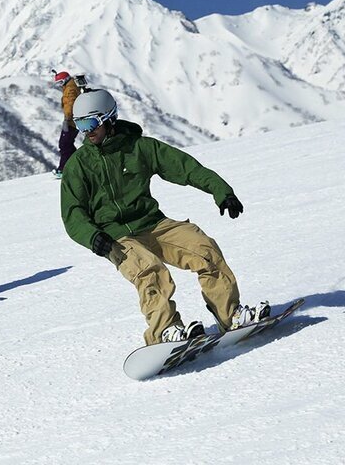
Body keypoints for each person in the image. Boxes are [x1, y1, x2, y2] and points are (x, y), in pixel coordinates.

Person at [59, 89, 269, 346]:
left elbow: (185, 167)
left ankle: (230, 315)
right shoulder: (79, 165)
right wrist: (95, 238)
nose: (86, 131)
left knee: (204, 249)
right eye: (80, 125)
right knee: (149, 270)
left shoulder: (140, 148)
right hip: (115, 236)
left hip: (152, 223)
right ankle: (165, 331)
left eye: (91, 123)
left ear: (109, 119)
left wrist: (221, 191)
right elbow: (72, 213)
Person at [53, 70, 81, 178]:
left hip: (71, 121)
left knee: (64, 144)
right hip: (72, 120)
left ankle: (64, 169)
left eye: (60, 82)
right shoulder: (69, 87)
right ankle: (76, 164)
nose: (60, 85)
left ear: (65, 80)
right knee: (67, 144)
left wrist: (68, 118)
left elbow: (71, 102)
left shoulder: (70, 88)